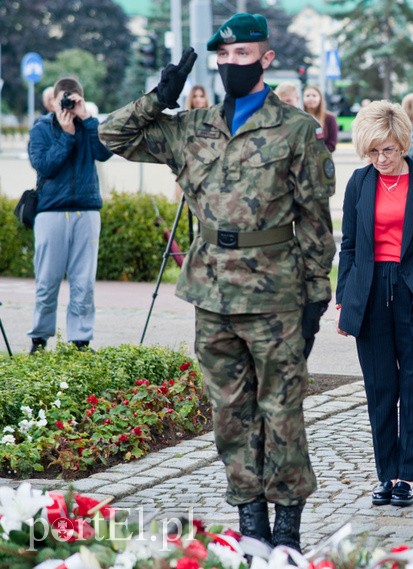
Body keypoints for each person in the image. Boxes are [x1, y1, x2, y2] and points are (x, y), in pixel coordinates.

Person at [99, 13, 336, 551]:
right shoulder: (193, 128)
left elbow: (316, 221)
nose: (232, 64)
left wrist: (315, 296)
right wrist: (157, 97)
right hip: (210, 291)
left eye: (243, 55)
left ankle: (288, 530)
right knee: (229, 411)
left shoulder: (296, 129)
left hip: (276, 294)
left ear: (266, 59)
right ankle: (250, 522)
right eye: (224, 57)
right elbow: (111, 134)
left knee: (282, 410)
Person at [335, 101, 413, 508]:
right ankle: (386, 474)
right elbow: (350, 246)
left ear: (403, 143)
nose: (381, 159)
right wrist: (344, 301)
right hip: (369, 293)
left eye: (387, 149)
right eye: (372, 151)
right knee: (380, 390)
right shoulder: (358, 182)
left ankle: (408, 476)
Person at [27, 77, 112, 354]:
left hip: (86, 210)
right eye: (62, 98)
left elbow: (104, 152)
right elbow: (44, 166)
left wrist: (86, 119)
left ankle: (80, 340)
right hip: (51, 211)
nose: (66, 104)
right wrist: (65, 135)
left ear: (80, 99)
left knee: (84, 281)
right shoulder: (42, 127)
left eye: (72, 99)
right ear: (52, 100)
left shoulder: (89, 125)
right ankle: (39, 339)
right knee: (47, 280)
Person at [303, 84, 338, 152]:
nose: (311, 98)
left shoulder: (330, 118)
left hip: (321, 160)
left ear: (320, 98)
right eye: (307, 96)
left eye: (314, 95)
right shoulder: (298, 117)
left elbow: (332, 144)